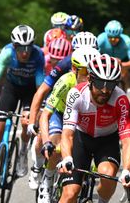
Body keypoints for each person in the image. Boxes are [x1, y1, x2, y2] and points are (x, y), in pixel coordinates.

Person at [56, 54, 130, 203]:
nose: (105, 90)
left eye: (111, 85)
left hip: (106, 142)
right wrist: (67, 158)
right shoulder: (76, 94)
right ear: (90, 79)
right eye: (100, 83)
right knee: (70, 194)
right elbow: (67, 134)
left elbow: (127, 142)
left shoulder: (121, 100)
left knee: (108, 175)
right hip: (81, 138)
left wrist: (127, 170)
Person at [0, 25, 45, 200]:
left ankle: (23, 152)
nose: (25, 52)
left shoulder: (38, 55)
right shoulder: (7, 52)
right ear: (14, 46)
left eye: (28, 47)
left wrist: (35, 113)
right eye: (21, 48)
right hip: (11, 89)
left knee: (25, 122)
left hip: (30, 91)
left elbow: (40, 88)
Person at [27, 31, 98, 191]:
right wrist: (33, 120)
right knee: (54, 146)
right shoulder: (66, 68)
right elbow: (42, 92)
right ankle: (45, 177)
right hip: (60, 108)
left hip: (81, 113)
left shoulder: (99, 67)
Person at [37, 46, 100, 203]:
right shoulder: (66, 81)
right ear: (74, 69)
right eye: (85, 72)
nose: (89, 78)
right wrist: (46, 142)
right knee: (55, 145)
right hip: (60, 114)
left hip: (80, 119)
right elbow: (45, 115)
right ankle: (48, 179)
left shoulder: (98, 86)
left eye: (92, 73)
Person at [97, 20, 130, 92]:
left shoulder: (127, 41)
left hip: (122, 61)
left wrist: (122, 65)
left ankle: (124, 93)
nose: (113, 40)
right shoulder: (101, 39)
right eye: (110, 37)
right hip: (105, 60)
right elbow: (94, 56)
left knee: (124, 75)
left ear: (120, 35)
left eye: (116, 38)